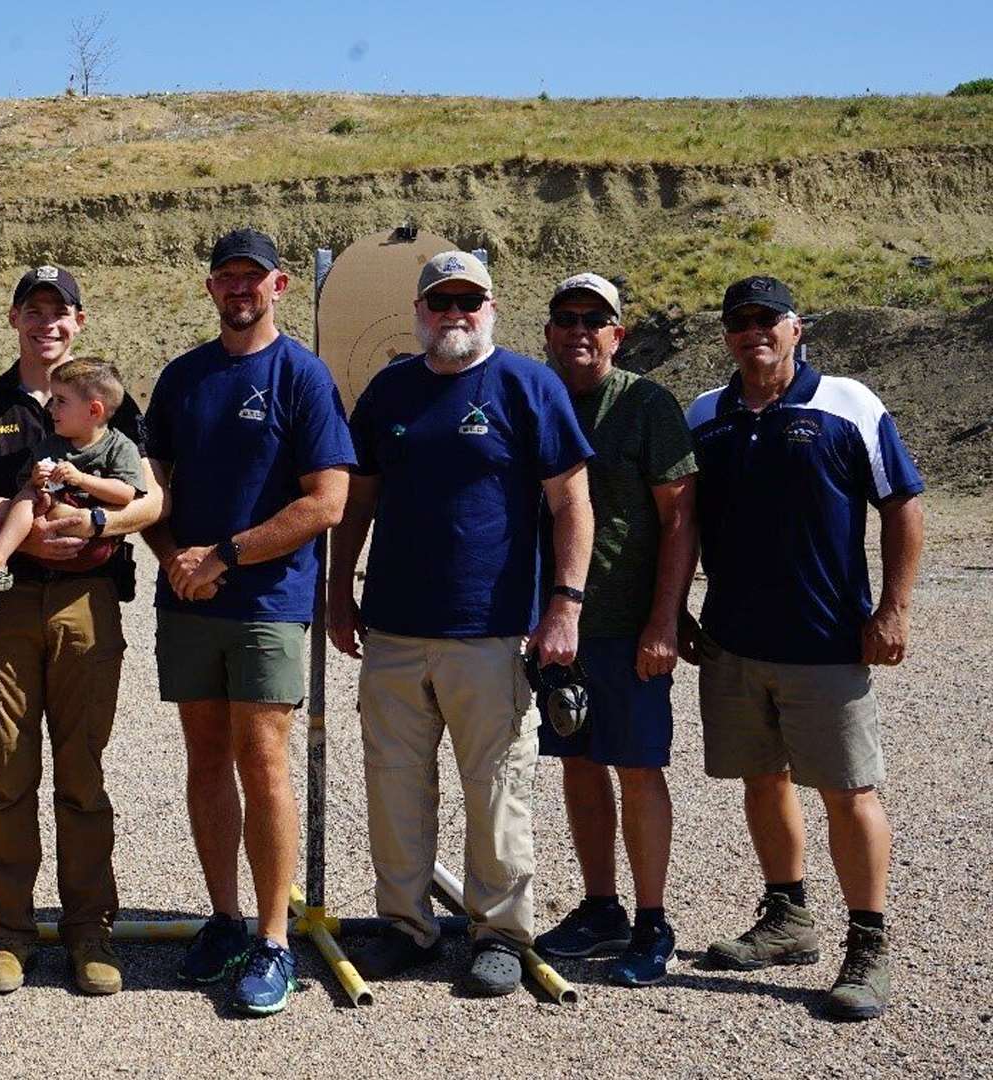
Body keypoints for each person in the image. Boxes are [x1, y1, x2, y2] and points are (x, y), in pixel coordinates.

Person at [328, 250, 594, 998]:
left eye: (467, 303)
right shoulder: (390, 390)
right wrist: (337, 592)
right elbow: (360, 499)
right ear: (418, 312)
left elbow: (572, 502)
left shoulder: (527, 385)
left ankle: (500, 932)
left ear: (491, 308)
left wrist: (565, 605)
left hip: (492, 630)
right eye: (440, 303)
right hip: (395, 629)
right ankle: (406, 926)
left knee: (498, 786)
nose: (454, 316)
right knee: (394, 784)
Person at [684, 275, 923, 1021]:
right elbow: (682, 521)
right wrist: (679, 611)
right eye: (739, 320)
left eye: (768, 319)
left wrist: (893, 610)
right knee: (762, 780)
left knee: (850, 793)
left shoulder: (848, 404)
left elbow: (903, 505)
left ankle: (868, 944)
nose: (753, 330)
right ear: (726, 334)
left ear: (798, 329)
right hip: (732, 641)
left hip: (826, 643)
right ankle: (788, 920)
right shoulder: (705, 414)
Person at [0, 266, 163, 995]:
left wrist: (95, 520)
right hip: (4, 608)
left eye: (59, 312)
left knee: (83, 775)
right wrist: (16, 541)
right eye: (33, 312)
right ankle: (9, 933)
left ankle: (89, 930)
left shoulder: (110, 406)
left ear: (79, 322)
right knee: (9, 775)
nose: (46, 324)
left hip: (86, 606)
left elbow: (152, 502)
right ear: (14, 321)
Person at [143, 229, 353, 1016]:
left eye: (253, 279)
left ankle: (274, 939)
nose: (240, 290)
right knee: (204, 756)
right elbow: (151, 489)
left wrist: (225, 554)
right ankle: (226, 917)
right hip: (190, 599)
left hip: (266, 604)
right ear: (210, 289)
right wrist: (172, 557)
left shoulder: (301, 375)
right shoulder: (183, 378)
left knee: (262, 761)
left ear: (280, 286)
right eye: (227, 278)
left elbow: (325, 501)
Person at [521, 273, 697, 987]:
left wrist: (664, 620)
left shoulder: (646, 405)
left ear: (618, 334)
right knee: (580, 763)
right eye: (566, 319)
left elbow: (681, 517)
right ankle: (602, 907)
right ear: (549, 333)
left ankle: (653, 921)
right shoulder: (538, 399)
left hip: (628, 627)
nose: (579, 331)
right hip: (557, 631)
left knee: (638, 767)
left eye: (595, 319)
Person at [0, 357, 144, 614]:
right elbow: (23, 486)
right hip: (40, 536)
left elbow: (127, 493)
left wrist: (81, 480)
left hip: (87, 554)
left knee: (25, 497)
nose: (51, 408)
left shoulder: (119, 446)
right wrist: (37, 478)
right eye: (53, 399)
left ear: (94, 411)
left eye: (60, 402)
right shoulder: (51, 444)